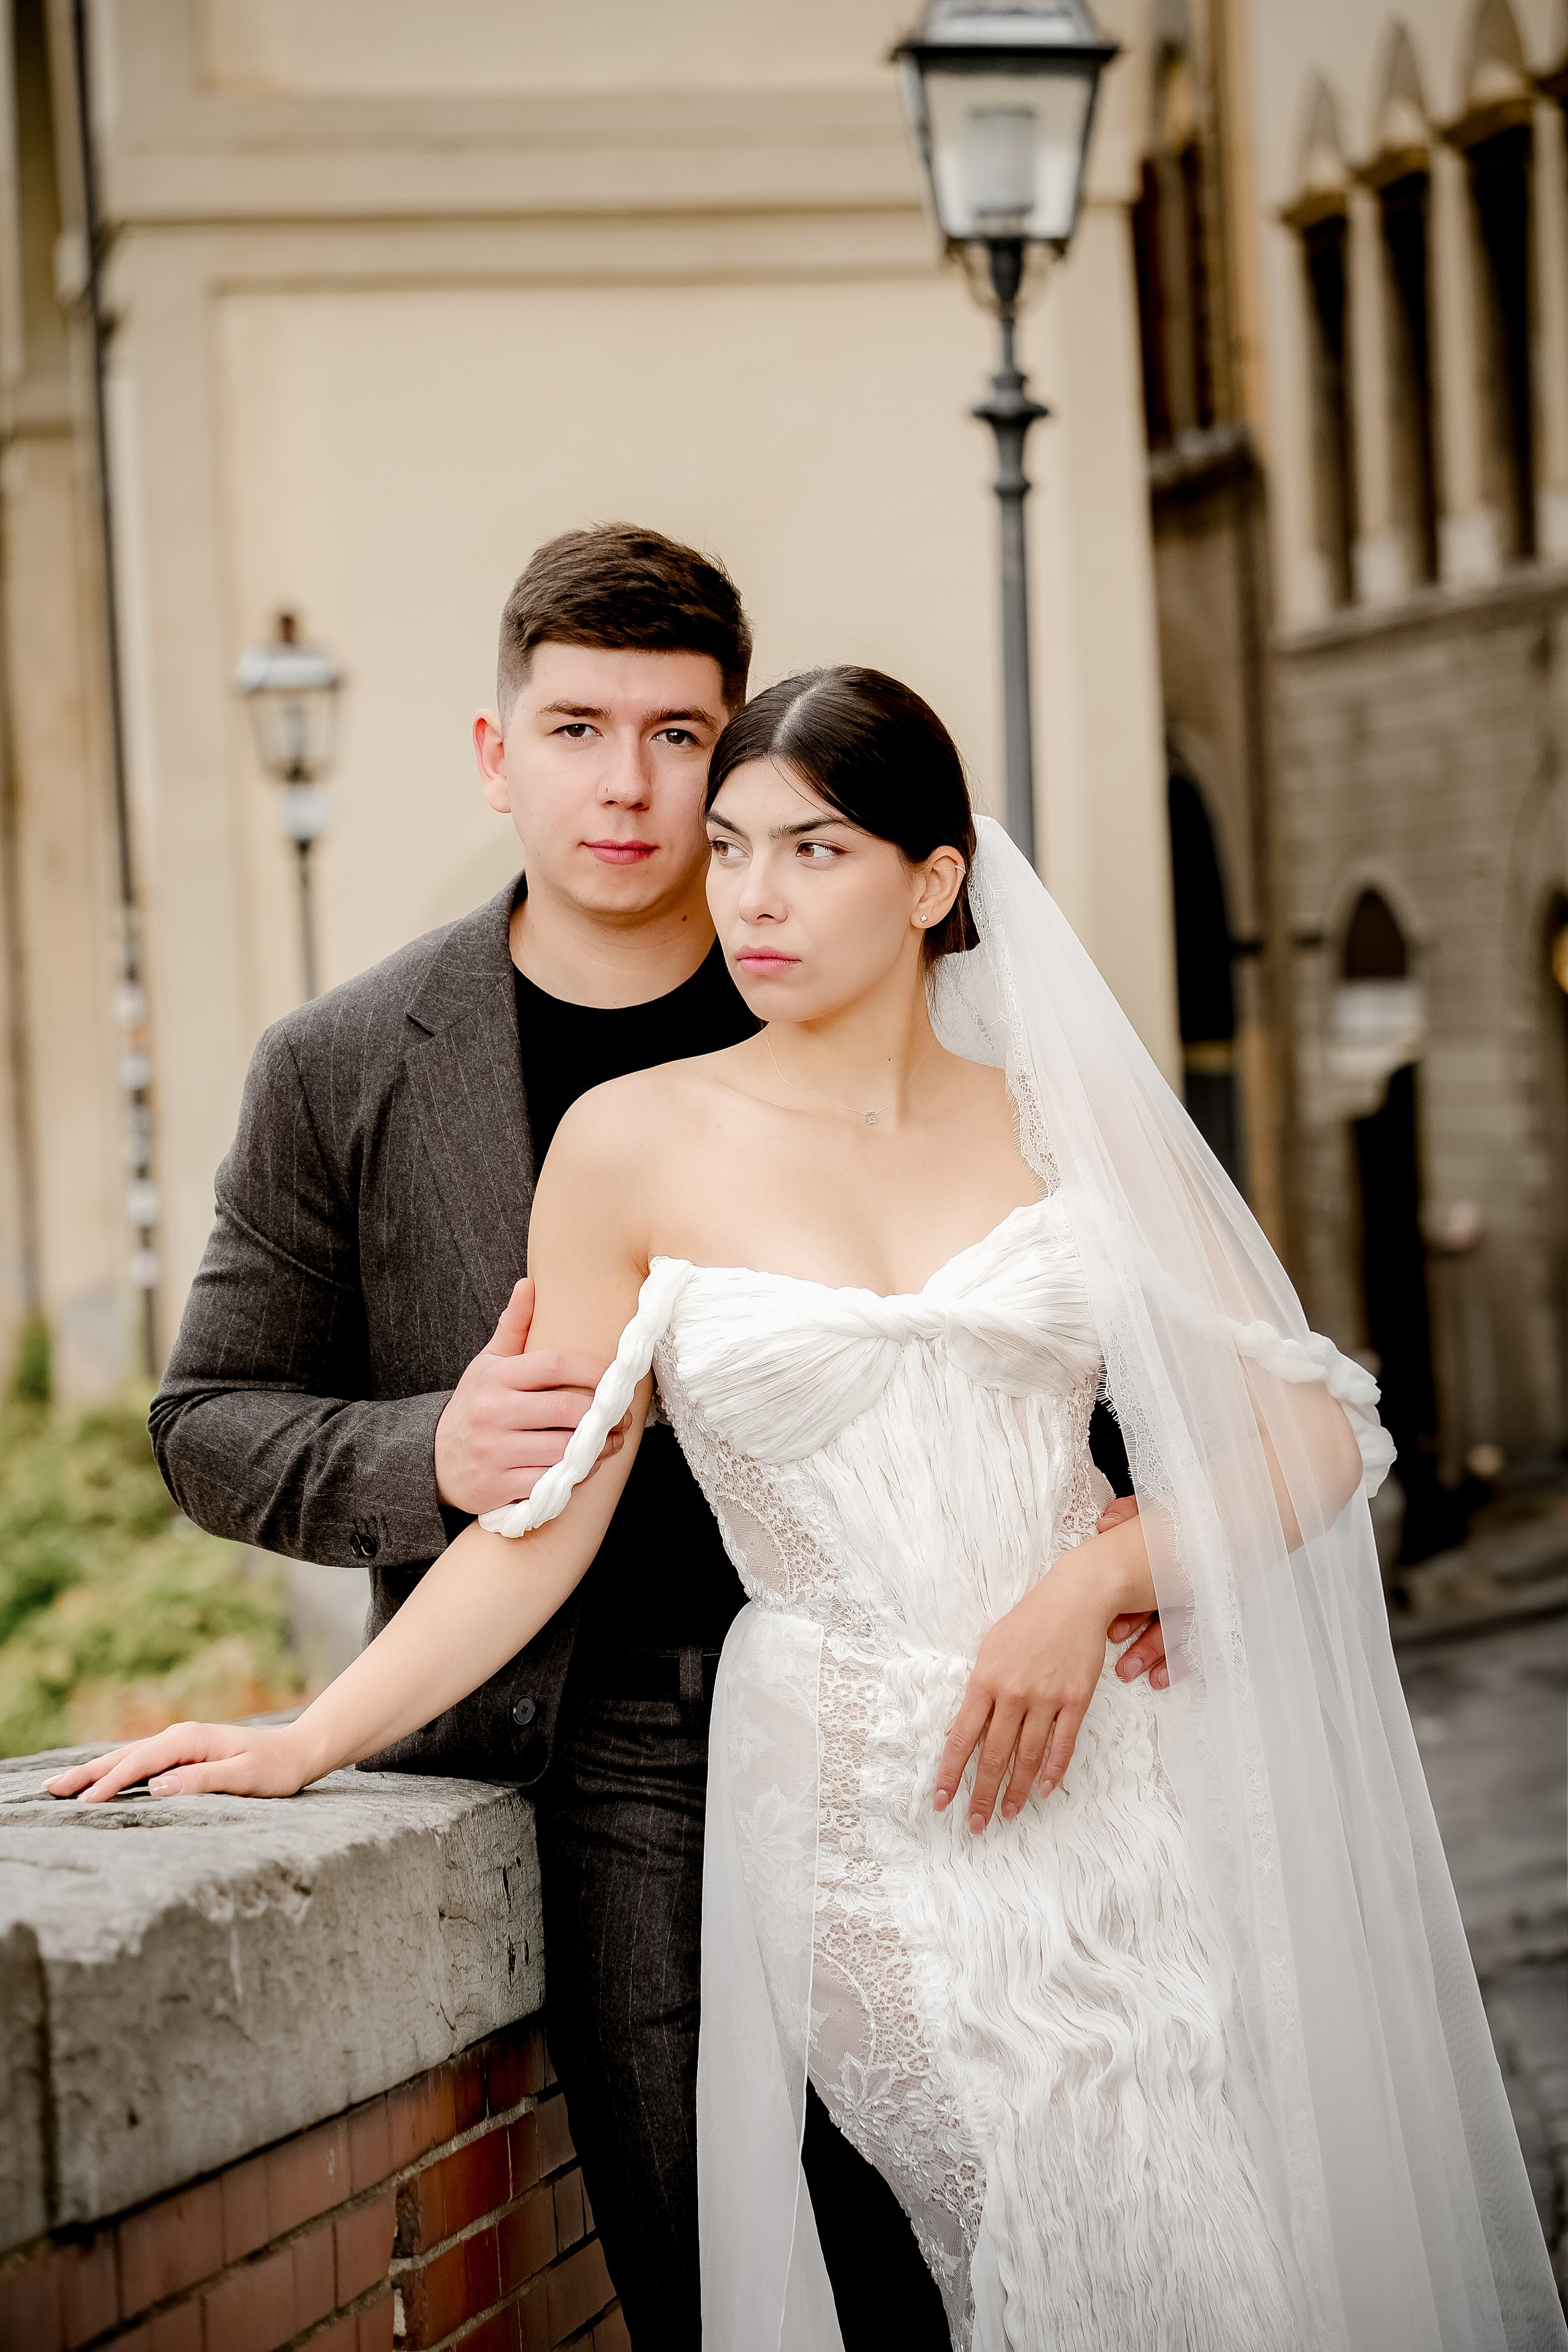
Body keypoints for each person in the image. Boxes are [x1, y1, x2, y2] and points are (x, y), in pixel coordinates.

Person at [67, 665, 1562, 2350]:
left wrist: (1106, 1576)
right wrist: (303, 1743)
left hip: (1122, 1769)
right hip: (857, 1790)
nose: (753, 898)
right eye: (731, 849)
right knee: (1039, 2205)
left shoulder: (1064, 1126)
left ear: (933, 883)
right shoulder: (630, 1143)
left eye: (815, 850)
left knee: (1212, 2229)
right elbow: (544, 1523)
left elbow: (1312, 1425)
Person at [140, 552, 1166, 2350]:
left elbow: (1078, 1343)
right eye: (574, 730)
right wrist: (432, 1451)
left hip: (975, 1718)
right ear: (497, 754)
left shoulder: (849, 968)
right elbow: (204, 1422)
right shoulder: (343, 1064)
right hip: (602, 1741)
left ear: (736, 751)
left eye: (678, 735)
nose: (627, 785)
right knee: (730, 2274)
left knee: (1064, 2220)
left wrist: (1140, 1552)